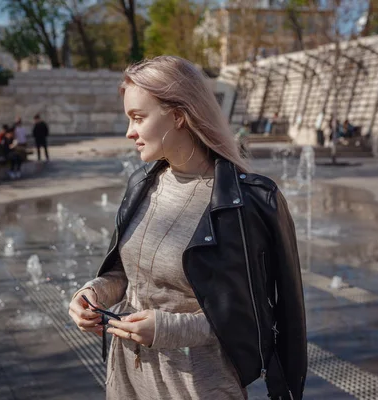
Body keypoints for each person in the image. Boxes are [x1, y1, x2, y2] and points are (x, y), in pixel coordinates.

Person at [68, 56, 306, 400]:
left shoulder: (245, 200)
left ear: (179, 115)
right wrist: (91, 294)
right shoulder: (142, 183)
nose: (129, 132)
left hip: (197, 384)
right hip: (127, 378)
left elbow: (249, 316)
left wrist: (168, 329)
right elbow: (127, 274)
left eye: (138, 118)